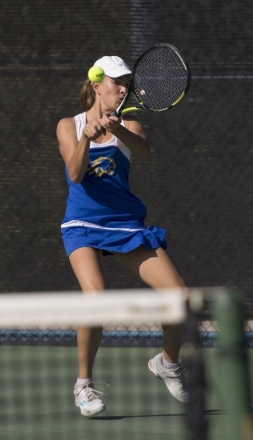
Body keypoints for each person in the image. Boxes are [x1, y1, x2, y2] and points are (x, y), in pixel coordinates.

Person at [56, 55, 189, 417]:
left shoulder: (130, 123)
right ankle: (83, 385)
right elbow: (75, 173)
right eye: (116, 82)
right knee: (95, 298)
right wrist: (86, 136)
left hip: (125, 225)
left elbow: (143, 151)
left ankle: (167, 363)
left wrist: (117, 131)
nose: (122, 88)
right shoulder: (69, 125)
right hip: (83, 223)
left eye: (126, 82)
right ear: (97, 85)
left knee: (179, 296)